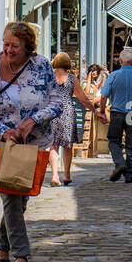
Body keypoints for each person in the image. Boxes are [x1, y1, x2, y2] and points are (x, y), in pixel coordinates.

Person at [0, 23, 62, 262]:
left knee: (20, 199)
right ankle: (21, 254)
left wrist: (33, 120)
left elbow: (57, 103)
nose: (8, 50)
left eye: (14, 46)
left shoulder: (41, 65)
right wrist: (4, 130)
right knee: (11, 196)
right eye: (5, 44)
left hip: (35, 143)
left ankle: (2, 247)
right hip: (2, 143)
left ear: (27, 47)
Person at [98, 48, 132, 184]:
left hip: (117, 112)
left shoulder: (114, 76)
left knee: (114, 140)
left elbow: (103, 96)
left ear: (120, 61)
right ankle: (129, 174)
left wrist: (102, 111)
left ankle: (120, 162)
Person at [48, 53, 94, 186]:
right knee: (67, 145)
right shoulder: (72, 79)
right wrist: (94, 110)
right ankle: (67, 175)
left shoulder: (49, 78)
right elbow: (82, 98)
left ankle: (55, 176)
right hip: (67, 111)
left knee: (53, 145)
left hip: (52, 112)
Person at [82, 63, 108, 156]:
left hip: (98, 106)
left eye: (97, 74)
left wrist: (104, 77)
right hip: (92, 107)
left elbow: (97, 87)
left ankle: (95, 151)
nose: (96, 76)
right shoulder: (86, 83)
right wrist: (89, 78)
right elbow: (87, 94)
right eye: (95, 74)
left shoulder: (93, 83)